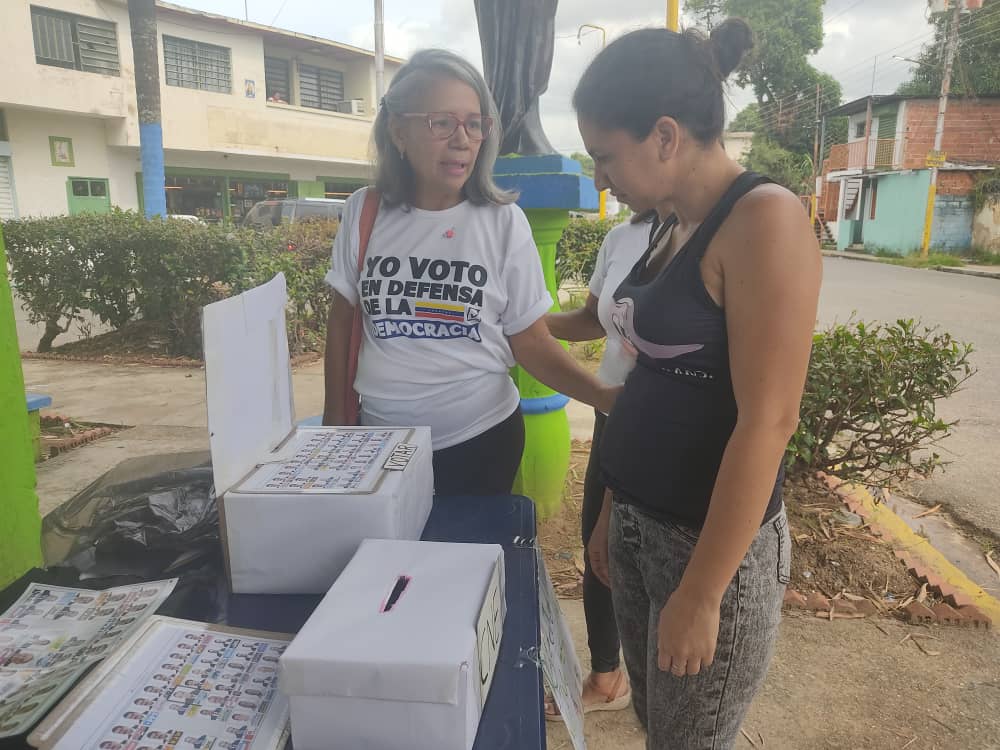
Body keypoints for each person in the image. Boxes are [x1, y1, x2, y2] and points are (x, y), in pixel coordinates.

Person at [573, 19, 821, 749]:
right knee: (661, 728)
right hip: (639, 528)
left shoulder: (763, 220)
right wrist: (612, 507)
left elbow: (769, 422)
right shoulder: (668, 223)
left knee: (688, 741)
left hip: (707, 548)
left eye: (605, 157)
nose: (600, 178)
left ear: (665, 136)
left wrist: (704, 592)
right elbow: (650, 377)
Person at [323, 49, 617, 495]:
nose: (462, 139)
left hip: (479, 442)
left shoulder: (502, 222)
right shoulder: (364, 211)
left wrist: (603, 397)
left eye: (474, 123)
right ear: (398, 130)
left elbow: (531, 341)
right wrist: (335, 429)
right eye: (442, 122)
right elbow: (342, 324)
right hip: (379, 446)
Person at [543, 207, 662, 717]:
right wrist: (524, 325)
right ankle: (608, 674)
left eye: (610, 160)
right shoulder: (622, 236)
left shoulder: (717, 229)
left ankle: (670, 682)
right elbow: (594, 319)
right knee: (600, 544)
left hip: (672, 424)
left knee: (663, 553)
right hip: (614, 413)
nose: (605, 183)